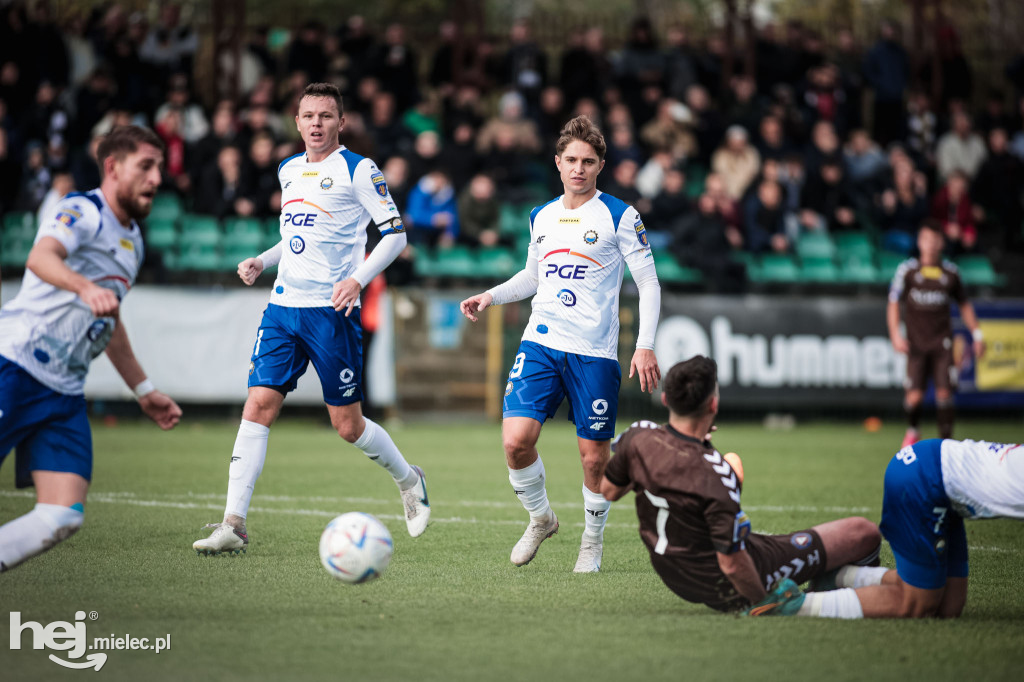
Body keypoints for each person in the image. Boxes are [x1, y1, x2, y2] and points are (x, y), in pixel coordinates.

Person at [193, 83, 429, 556]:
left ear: (341, 122)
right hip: (283, 308)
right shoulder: (287, 169)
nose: (316, 123)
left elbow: (395, 237)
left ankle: (409, 479)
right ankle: (233, 524)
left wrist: (358, 280)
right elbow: (296, 234)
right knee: (258, 405)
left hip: (331, 313)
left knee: (347, 425)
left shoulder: (360, 169)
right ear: (296, 122)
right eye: (308, 115)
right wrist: (263, 259)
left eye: (326, 115)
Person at [459, 115, 662, 573]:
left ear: (600, 166)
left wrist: (644, 344)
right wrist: (490, 296)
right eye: (571, 159)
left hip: (594, 354)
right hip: (542, 343)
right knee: (515, 442)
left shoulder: (620, 216)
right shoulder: (541, 215)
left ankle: (592, 540)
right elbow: (533, 276)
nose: (579, 168)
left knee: (594, 457)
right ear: (557, 162)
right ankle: (541, 518)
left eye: (588, 161)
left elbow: (649, 284)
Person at [0, 125, 182, 572]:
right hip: (16, 365)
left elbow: (110, 319)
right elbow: (41, 258)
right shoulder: (82, 210)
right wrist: (84, 287)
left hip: (62, 392)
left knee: (63, 514)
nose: (157, 178)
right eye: (146, 166)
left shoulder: (134, 242)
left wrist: (144, 389)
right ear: (112, 167)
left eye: (159, 167)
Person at [600, 356, 884, 613]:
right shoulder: (716, 473)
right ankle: (822, 592)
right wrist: (762, 601)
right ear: (713, 404)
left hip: (674, 573)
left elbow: (609, 490)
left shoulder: (637, 436)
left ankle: (829, 579)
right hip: (725, 583)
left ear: (665, 400)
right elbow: (732, 564)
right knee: (864, 532)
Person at [747, 437, 1022, 619]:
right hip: (924, 479)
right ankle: (794, 604)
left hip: (939, 480)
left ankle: (840, 576)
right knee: (918, 604)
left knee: (949, 606)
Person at [888, 220, 984, 448]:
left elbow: (965, 305)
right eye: (926, 239)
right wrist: (895, 334)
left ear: (941, 242)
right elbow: (893, 302)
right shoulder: (907, 271)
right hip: (916, 345)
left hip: (943, 344)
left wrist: (977, 335)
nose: (930, 245)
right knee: (914, 398)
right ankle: (913, 431)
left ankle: (946, 445)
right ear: (920, 242)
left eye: (934, 240)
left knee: (944, 395)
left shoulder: (950, 273)